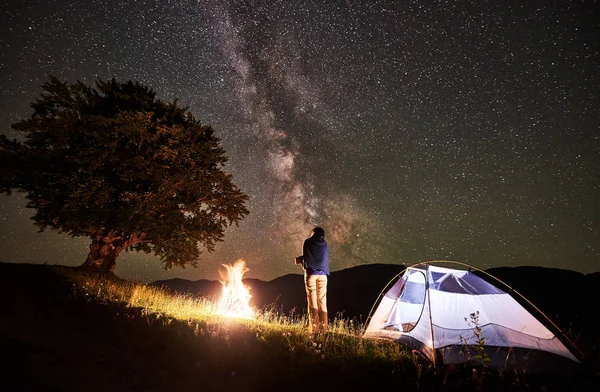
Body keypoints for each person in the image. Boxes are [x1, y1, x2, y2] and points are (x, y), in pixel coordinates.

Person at [296, 226, 330, 333]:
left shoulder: (308, 242)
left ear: (313, 233)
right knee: (322, 301)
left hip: (311, 273)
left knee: (312, 300)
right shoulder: (325, 244)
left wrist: (300, 261)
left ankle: (314, 328)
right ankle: (323, 329)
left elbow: (307, 258)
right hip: (323, 275)